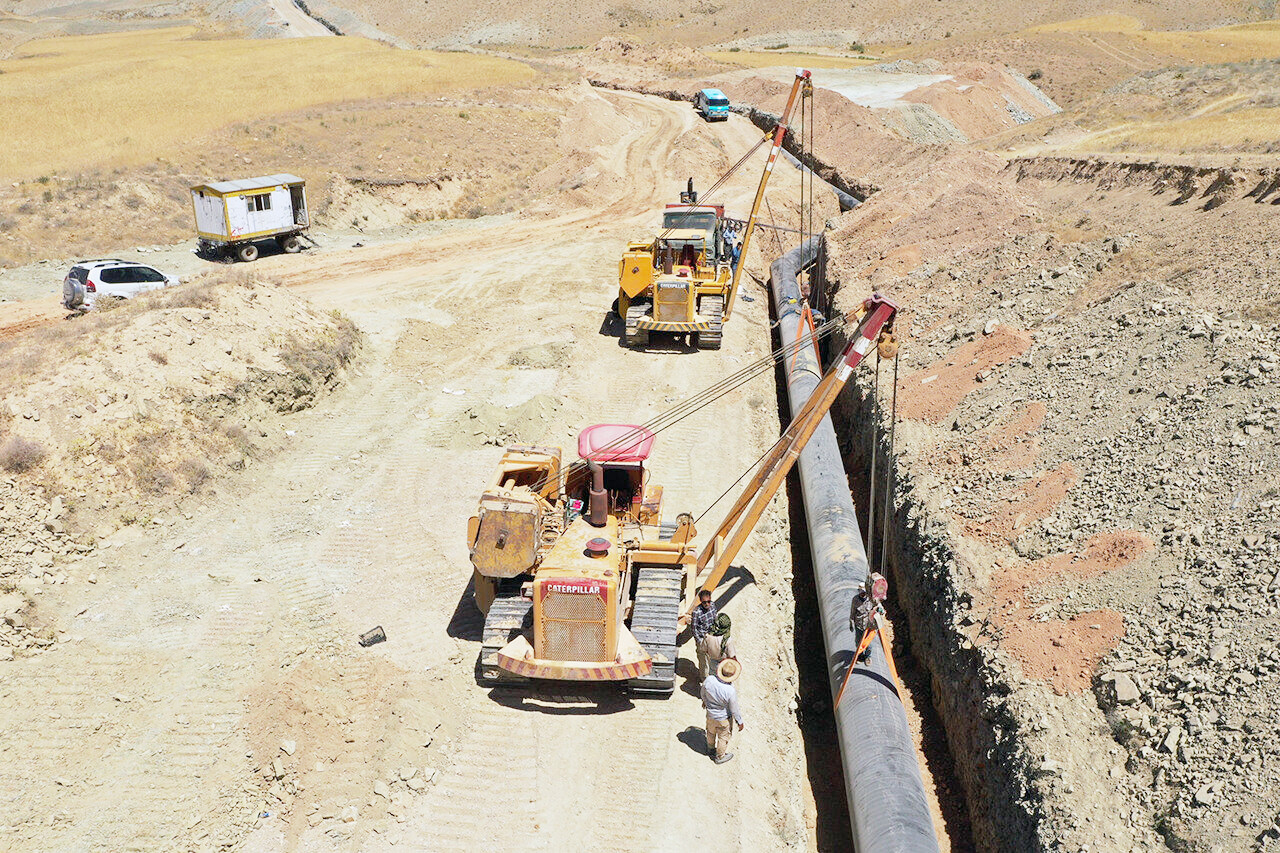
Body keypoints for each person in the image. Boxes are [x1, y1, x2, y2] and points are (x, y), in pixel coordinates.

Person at [701, 658, 744, 764]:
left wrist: (705, 701)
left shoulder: (709, 680)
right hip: (723, 718)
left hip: (710, 714)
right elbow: (734, 709)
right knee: (723, 737)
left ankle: (710, 749)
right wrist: (739, 721)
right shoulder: (730, 690)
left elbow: (703, 692)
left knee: (710, 732)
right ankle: (720, 756)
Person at [678, 589, 718, 679]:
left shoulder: (713, 606)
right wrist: (700, 641)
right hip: (702, 639)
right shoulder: (697, 612)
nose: (707, 604)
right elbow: (694, 629)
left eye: (708, 601)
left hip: (712, 637)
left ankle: (712, 676)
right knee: (703, 661)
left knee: (712, 658)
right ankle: (704, 679)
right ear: (700, 601)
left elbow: (715, 618)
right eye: (704, 602)